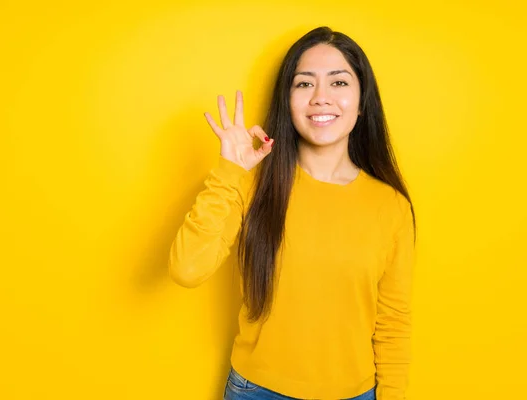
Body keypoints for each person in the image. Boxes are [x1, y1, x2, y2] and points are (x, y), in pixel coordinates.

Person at [168, 26, 416, 400]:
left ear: (362, 101)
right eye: (304, 84)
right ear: (288, 101)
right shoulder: (252, 184)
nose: (320, 97)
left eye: (339, 82)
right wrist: (229, 171)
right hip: (256, 391)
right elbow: (187, 269)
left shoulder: (391, 205)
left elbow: (393, 324)